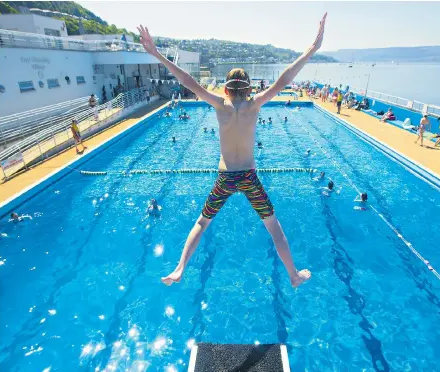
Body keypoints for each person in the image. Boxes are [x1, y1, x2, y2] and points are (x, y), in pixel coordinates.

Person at [138, 13, 327, 287]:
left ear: (226, 89)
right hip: (249, 178)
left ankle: (180, 269)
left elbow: (187, 80)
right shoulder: (255, 105)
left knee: (202, 224)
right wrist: (313, 48)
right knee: (274, 229)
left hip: (226, 178)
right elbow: (285, 79)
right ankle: (293, 275)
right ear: (249, 88)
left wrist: (156, 53)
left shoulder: (219, 104)